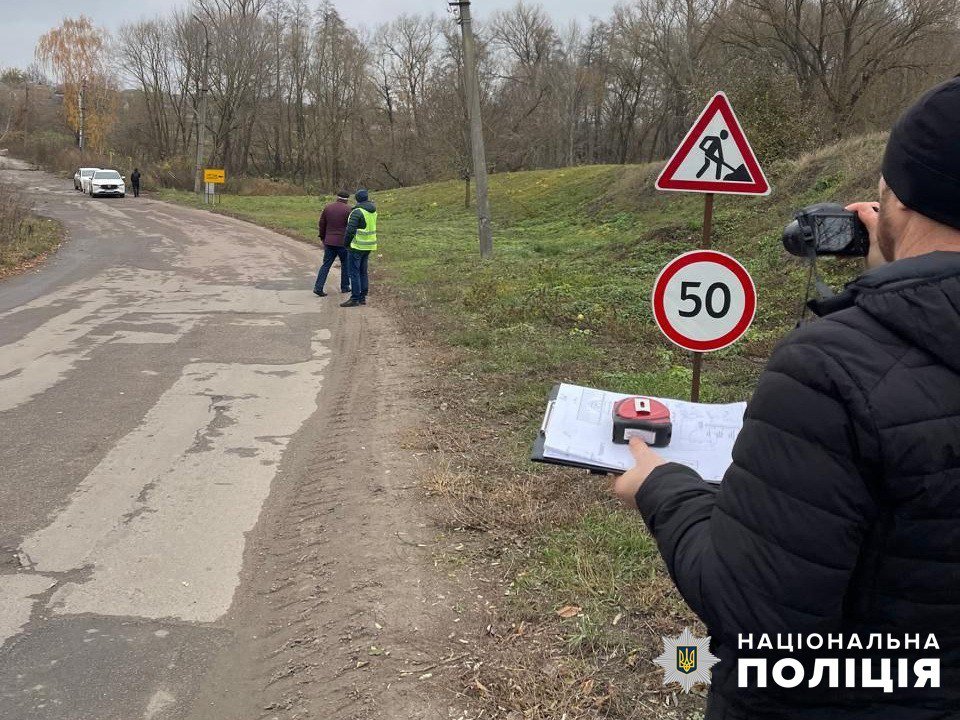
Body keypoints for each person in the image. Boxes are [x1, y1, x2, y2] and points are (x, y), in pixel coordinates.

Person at [613, 77, 960, 718]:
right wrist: (902, 282)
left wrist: (661, 487)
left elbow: (757, 618)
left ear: (898, 202)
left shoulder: (831, 369)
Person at [340, 188, 377, 308]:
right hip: (369, 245)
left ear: (357, 199)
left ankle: (354, 298)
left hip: (357, 246)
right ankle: (362, 297)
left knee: (354, 272)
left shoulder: (357, 212)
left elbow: (350, 230)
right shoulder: (373, 210)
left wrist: (346, 244)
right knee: (363, 272)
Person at [313, 190, 352, 297]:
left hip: (329, 241)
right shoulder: (349, 209)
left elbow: (322, 224)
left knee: (326, 265)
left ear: (337, 197)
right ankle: (345, 286)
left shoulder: (328, 207)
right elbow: (351, 227)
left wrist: (322, 237)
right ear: (347, 199)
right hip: (343, 242)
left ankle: (318, 287)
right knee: (345, 264)